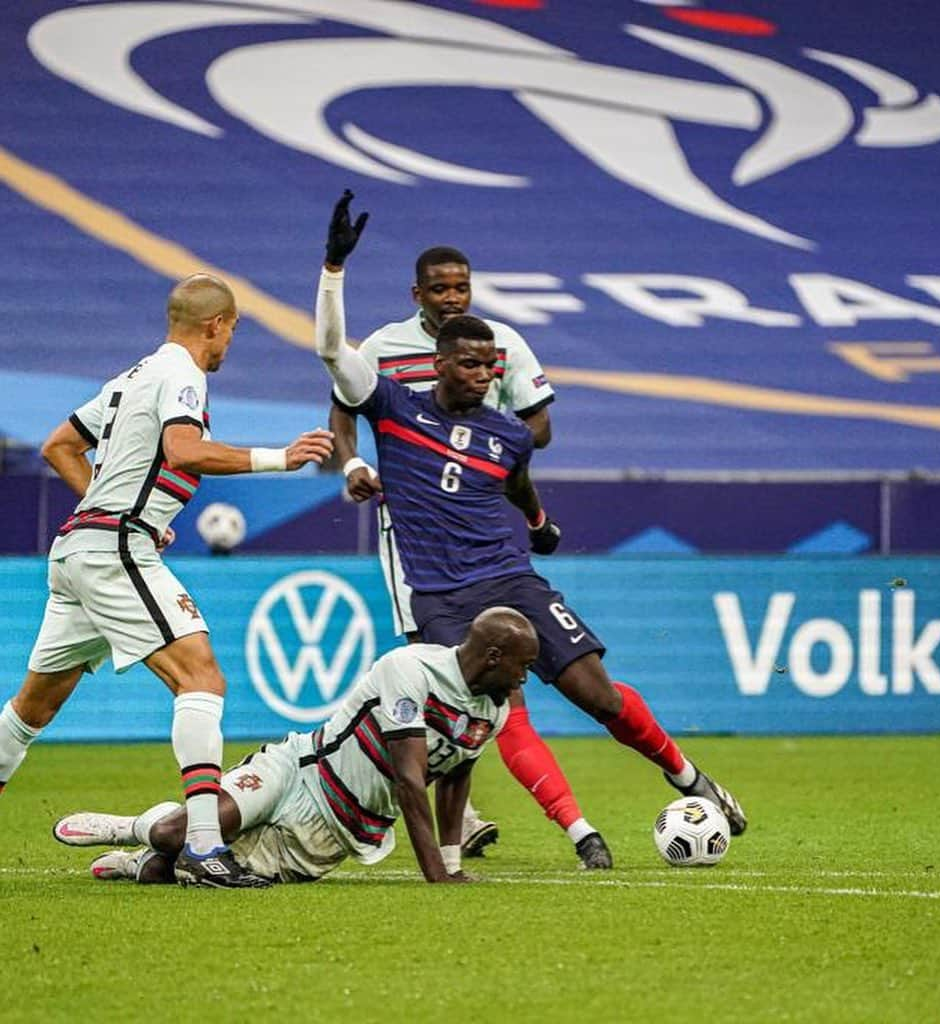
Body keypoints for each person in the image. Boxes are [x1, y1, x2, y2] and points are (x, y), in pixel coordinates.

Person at [315, 196, 748, 863]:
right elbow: (338, 382)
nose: (487, 371)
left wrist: (539, 523)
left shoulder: (507, 418)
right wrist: (335, 270)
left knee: (593, 692)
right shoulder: (390, 384)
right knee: (489, 710)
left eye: (491, 366)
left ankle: (686, 774)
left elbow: (524, 464)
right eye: (442, 290)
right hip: (430, 578)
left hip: (507, 572)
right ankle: (577, 835)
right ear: (428, 332)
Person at [0, 273, 334, 889]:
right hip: (112, 551)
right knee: (200, 675)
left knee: (31, 709)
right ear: (216, 324)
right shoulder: (183, 374)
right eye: (232, 328)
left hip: (81, 547)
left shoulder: (132, 376)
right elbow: (183, 451)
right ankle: (205, 847)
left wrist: (120, 508)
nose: (230, 341)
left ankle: (202, 842)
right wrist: (279, 457)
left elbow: (59, 446)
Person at [325, 193, 602, 866]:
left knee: (499, 673)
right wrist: (355, 462)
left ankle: (458, 809)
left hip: (482, 520)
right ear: (417, 293)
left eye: (463, 287)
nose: (454, 297)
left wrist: (483, 438)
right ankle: (451, 811)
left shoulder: (499, 343)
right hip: (413, 533)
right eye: (441, 288)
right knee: (442, 667)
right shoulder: (386, 351)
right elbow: (342, 402)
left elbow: (537, 425)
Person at [53, 607, 539, 886]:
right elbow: (411, 779)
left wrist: (455, 865)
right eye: (524, 664)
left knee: (169, 870)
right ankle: (133, 828)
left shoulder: (491, 710)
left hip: (339, 828)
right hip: (299, 770)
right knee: (184, 832)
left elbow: (455, 780)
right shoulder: (411, 670)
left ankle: (143, 860)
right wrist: (438, 875)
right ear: (494, 656)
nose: (526, 676)